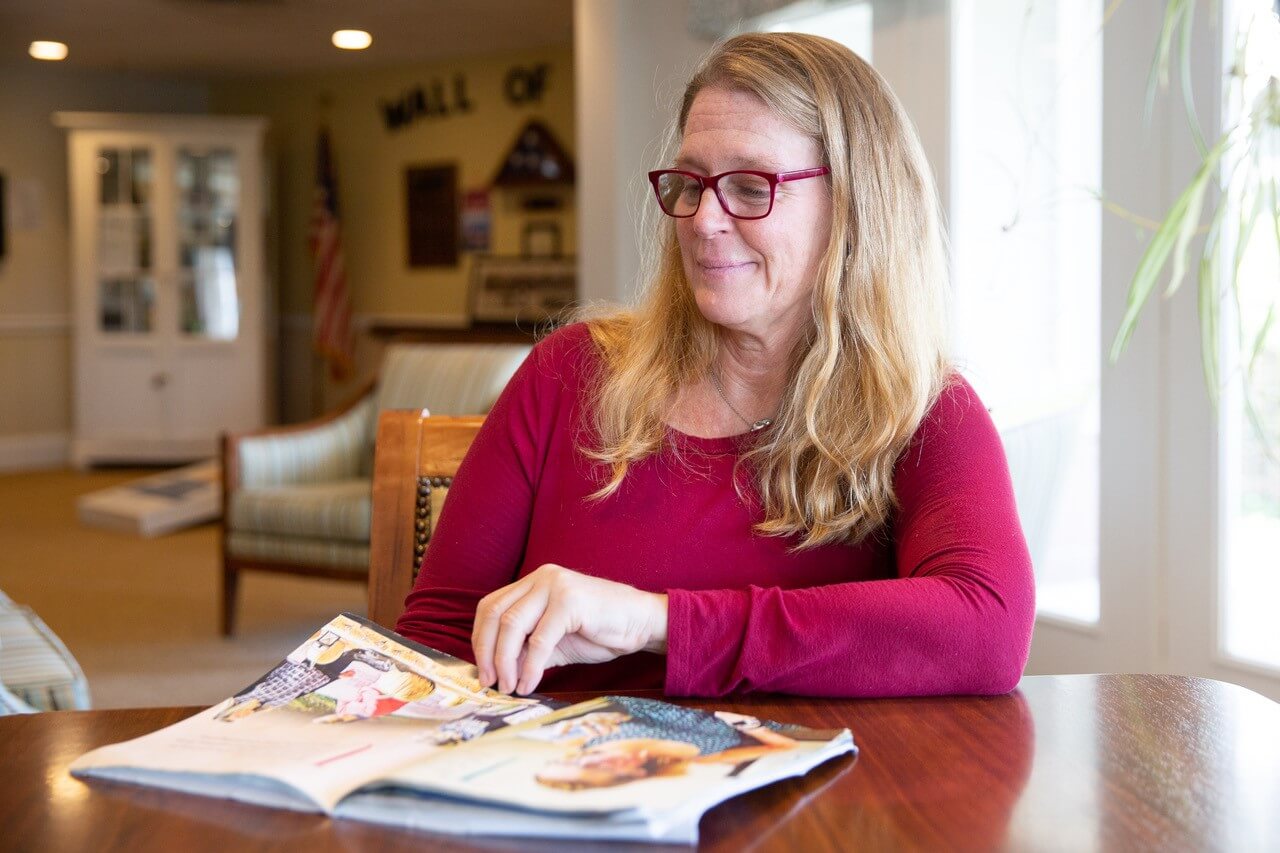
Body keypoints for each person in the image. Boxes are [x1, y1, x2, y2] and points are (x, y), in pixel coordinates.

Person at [395, 32, 1034, 698]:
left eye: (751, 186)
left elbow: (985, 628)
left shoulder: (924, 411)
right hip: (559, 790)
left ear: (854, 203)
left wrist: (655, 621)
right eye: (691, 182)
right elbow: (433, 641)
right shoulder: (568, 373)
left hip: (816, 800)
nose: (703, 220)